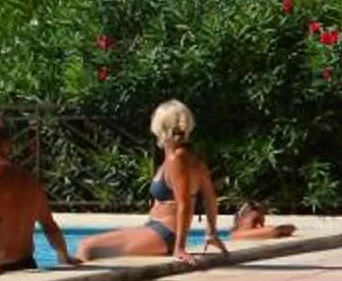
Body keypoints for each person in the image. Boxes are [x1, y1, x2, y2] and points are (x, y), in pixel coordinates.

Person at [76, 100, 231, 262]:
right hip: (156, 228)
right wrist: (211, 233)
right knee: (86, 245)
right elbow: (210, 200)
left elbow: (184, 204)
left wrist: (180, 247)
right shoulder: (191, 158)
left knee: (87, 247)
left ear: (160, 126)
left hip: (165, 232)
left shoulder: (177, 158)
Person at [0, 114, 82, 275]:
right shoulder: (29, 179)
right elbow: (49, 224)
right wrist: (64, 256)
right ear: (8, 143)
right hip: (28, 264)